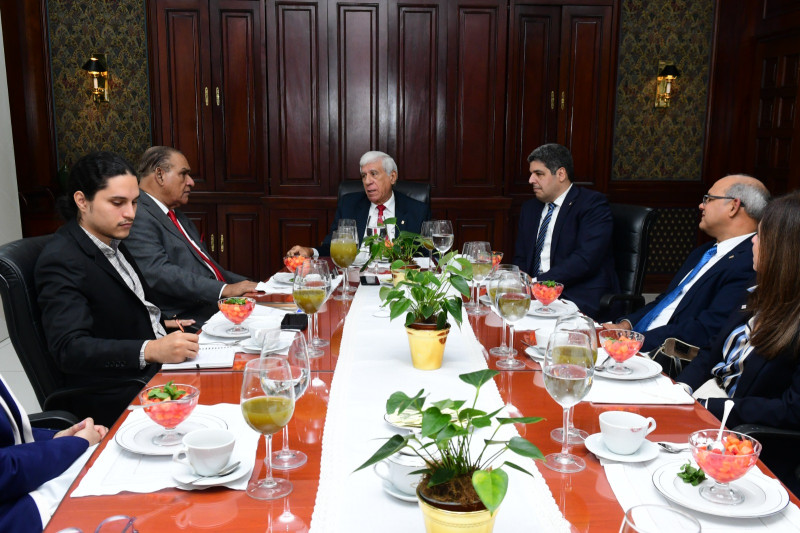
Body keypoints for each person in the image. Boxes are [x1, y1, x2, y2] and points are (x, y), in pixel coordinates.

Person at [35, 151, 199, 426]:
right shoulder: (62, 258)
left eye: (134, 202)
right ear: (81, 201)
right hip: (120, 392)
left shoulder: (113, 241)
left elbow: (115, 308)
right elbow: (70, 348)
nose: (130, 213)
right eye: (117, 203)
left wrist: (163, 323)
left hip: (157, 370)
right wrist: (151, 349)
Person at [676, 193, 800, 493]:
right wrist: (681, 391)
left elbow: (791, 410)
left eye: (761, 235)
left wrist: (711, 407)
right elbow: (710, 354)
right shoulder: (757, 293)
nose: (753, 242)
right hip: (708, 413)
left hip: (743, 443)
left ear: (785, 249)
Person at [604, 175, 769, 353]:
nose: (701, 205)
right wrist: (625, 325)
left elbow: (705, 329)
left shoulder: (749, 263)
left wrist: (632, 341)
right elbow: (666, 301)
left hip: (665, 355)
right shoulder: (705, 251)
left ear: (733, 206)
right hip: (638, 343)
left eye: (708, 199)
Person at [125, 146, 259, 322]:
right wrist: (223, 290)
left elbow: (210, 269)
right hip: (186, 318)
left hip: (212, 305)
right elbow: (158, 273)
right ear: (160, 175)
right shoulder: (137, 214)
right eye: (183, 174)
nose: (191, 182)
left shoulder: (176, 214)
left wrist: (259, 287)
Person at [512, 143, 618, 319]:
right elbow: (521, 257)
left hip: (575, 295)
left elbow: (585, 260)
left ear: (561, 174)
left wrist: (538, 283)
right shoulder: (530, 208)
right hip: (533, 297)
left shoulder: (592, 205)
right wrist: (520, 284)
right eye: (531, 174)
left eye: (539, 174)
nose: (531, 180)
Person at [0, 374, 107, 533]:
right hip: (16, 514)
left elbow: (10, 434)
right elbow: (5, 469)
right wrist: (75, 443)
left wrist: (57, 437)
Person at [286, 151, 431, 258]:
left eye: (374, 174)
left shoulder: (417, 211)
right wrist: (311, 251)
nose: (367, 181)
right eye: (364, 176)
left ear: (392, 177)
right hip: (355, 279)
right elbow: (332, 247)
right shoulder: (349, 205)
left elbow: (428, 256)